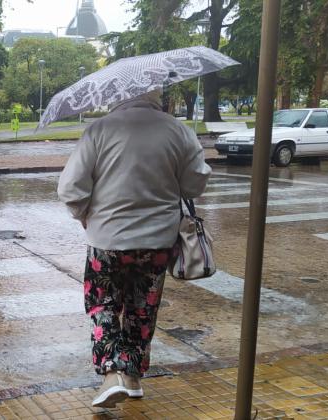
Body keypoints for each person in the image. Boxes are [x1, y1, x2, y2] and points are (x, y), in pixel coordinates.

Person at [57, 90, 211, 408]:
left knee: (104, 304)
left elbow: (71, 187)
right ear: (156, 96)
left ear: (119, 95)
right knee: (143, 308)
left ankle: (112, 373)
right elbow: (195, 184)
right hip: (157, 241)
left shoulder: (100, 129)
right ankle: (134, 376)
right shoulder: (178, 130)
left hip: (107, 239)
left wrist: (84, 215)